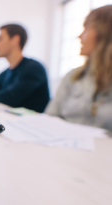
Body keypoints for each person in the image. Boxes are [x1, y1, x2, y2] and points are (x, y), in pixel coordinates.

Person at [46, 5, 112, 133]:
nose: (80, 36)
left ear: (104, 33)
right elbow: (50, 117)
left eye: (86, 29)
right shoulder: (73, 76)